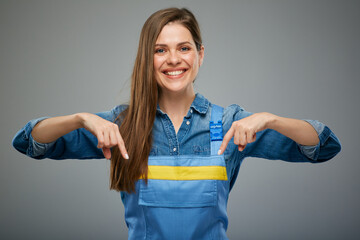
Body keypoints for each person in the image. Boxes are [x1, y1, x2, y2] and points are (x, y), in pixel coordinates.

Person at [12, 7, 341, 240]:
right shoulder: (120, 125)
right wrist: (81, 118)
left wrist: (271, 119)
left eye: (184, 48)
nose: (173, 59)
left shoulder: (230, 124)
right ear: (148, 57)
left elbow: (323, 146)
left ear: (200, 54)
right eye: (160, 50)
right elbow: (30, 142)